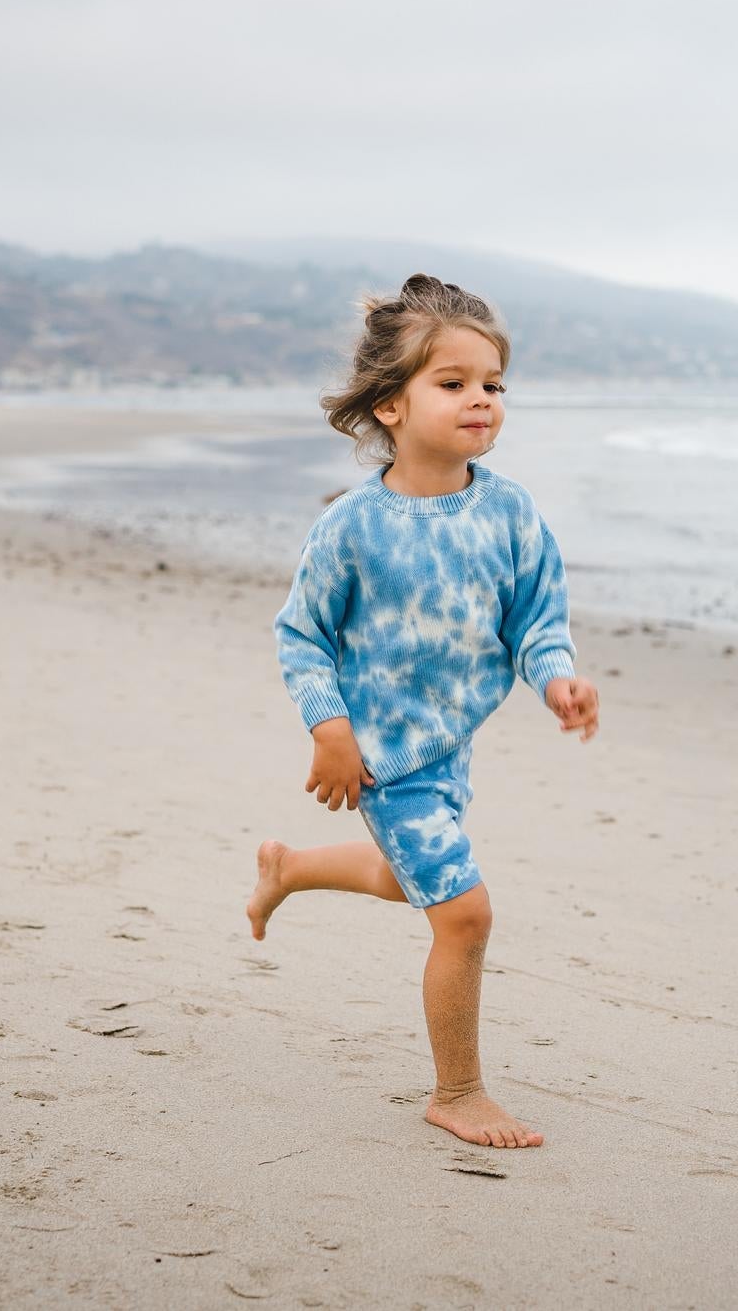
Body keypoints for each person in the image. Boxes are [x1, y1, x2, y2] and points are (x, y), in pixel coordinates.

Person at [247, 273, 601, 1150]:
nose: (480, 399)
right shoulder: (353, 527)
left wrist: (557, 678)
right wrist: (330, 732)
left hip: (450, 746)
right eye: (453, 383)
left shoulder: (511, 511)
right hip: (382, 757)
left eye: (492, 384)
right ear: (391, 406)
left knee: (412, 880)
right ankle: (459, 1091)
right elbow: (302, 637)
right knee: (464, 913)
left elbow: (535, 617)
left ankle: (287, 869)